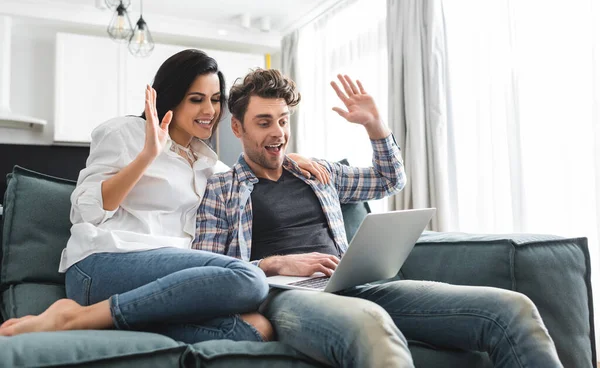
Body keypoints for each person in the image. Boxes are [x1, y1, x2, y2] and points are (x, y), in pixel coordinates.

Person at [194, 68, 564, 367]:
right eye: (264, 123)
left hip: (355, 285)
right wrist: (277, 264)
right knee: (370, 328)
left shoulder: (317, 172)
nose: (278, 133)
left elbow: (390, 179)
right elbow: (208, 274)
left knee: (511, 308)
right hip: (286, 299)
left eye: (283, 121)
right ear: (238, 128)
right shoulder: (221, 188)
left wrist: (375, 125)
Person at [0, 50, 324, 342]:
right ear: (171, 97)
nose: (209, 110)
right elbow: (86, 211)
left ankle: (104, 321)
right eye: (196, 99)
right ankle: (77, 316)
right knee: (249, 279)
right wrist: (147, 156)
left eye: (214, 99)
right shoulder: (126, 132)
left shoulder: (212, 166)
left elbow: (251, 176)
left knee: (255, 329)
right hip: (104, 264)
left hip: (171, 284)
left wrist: (286, 158)